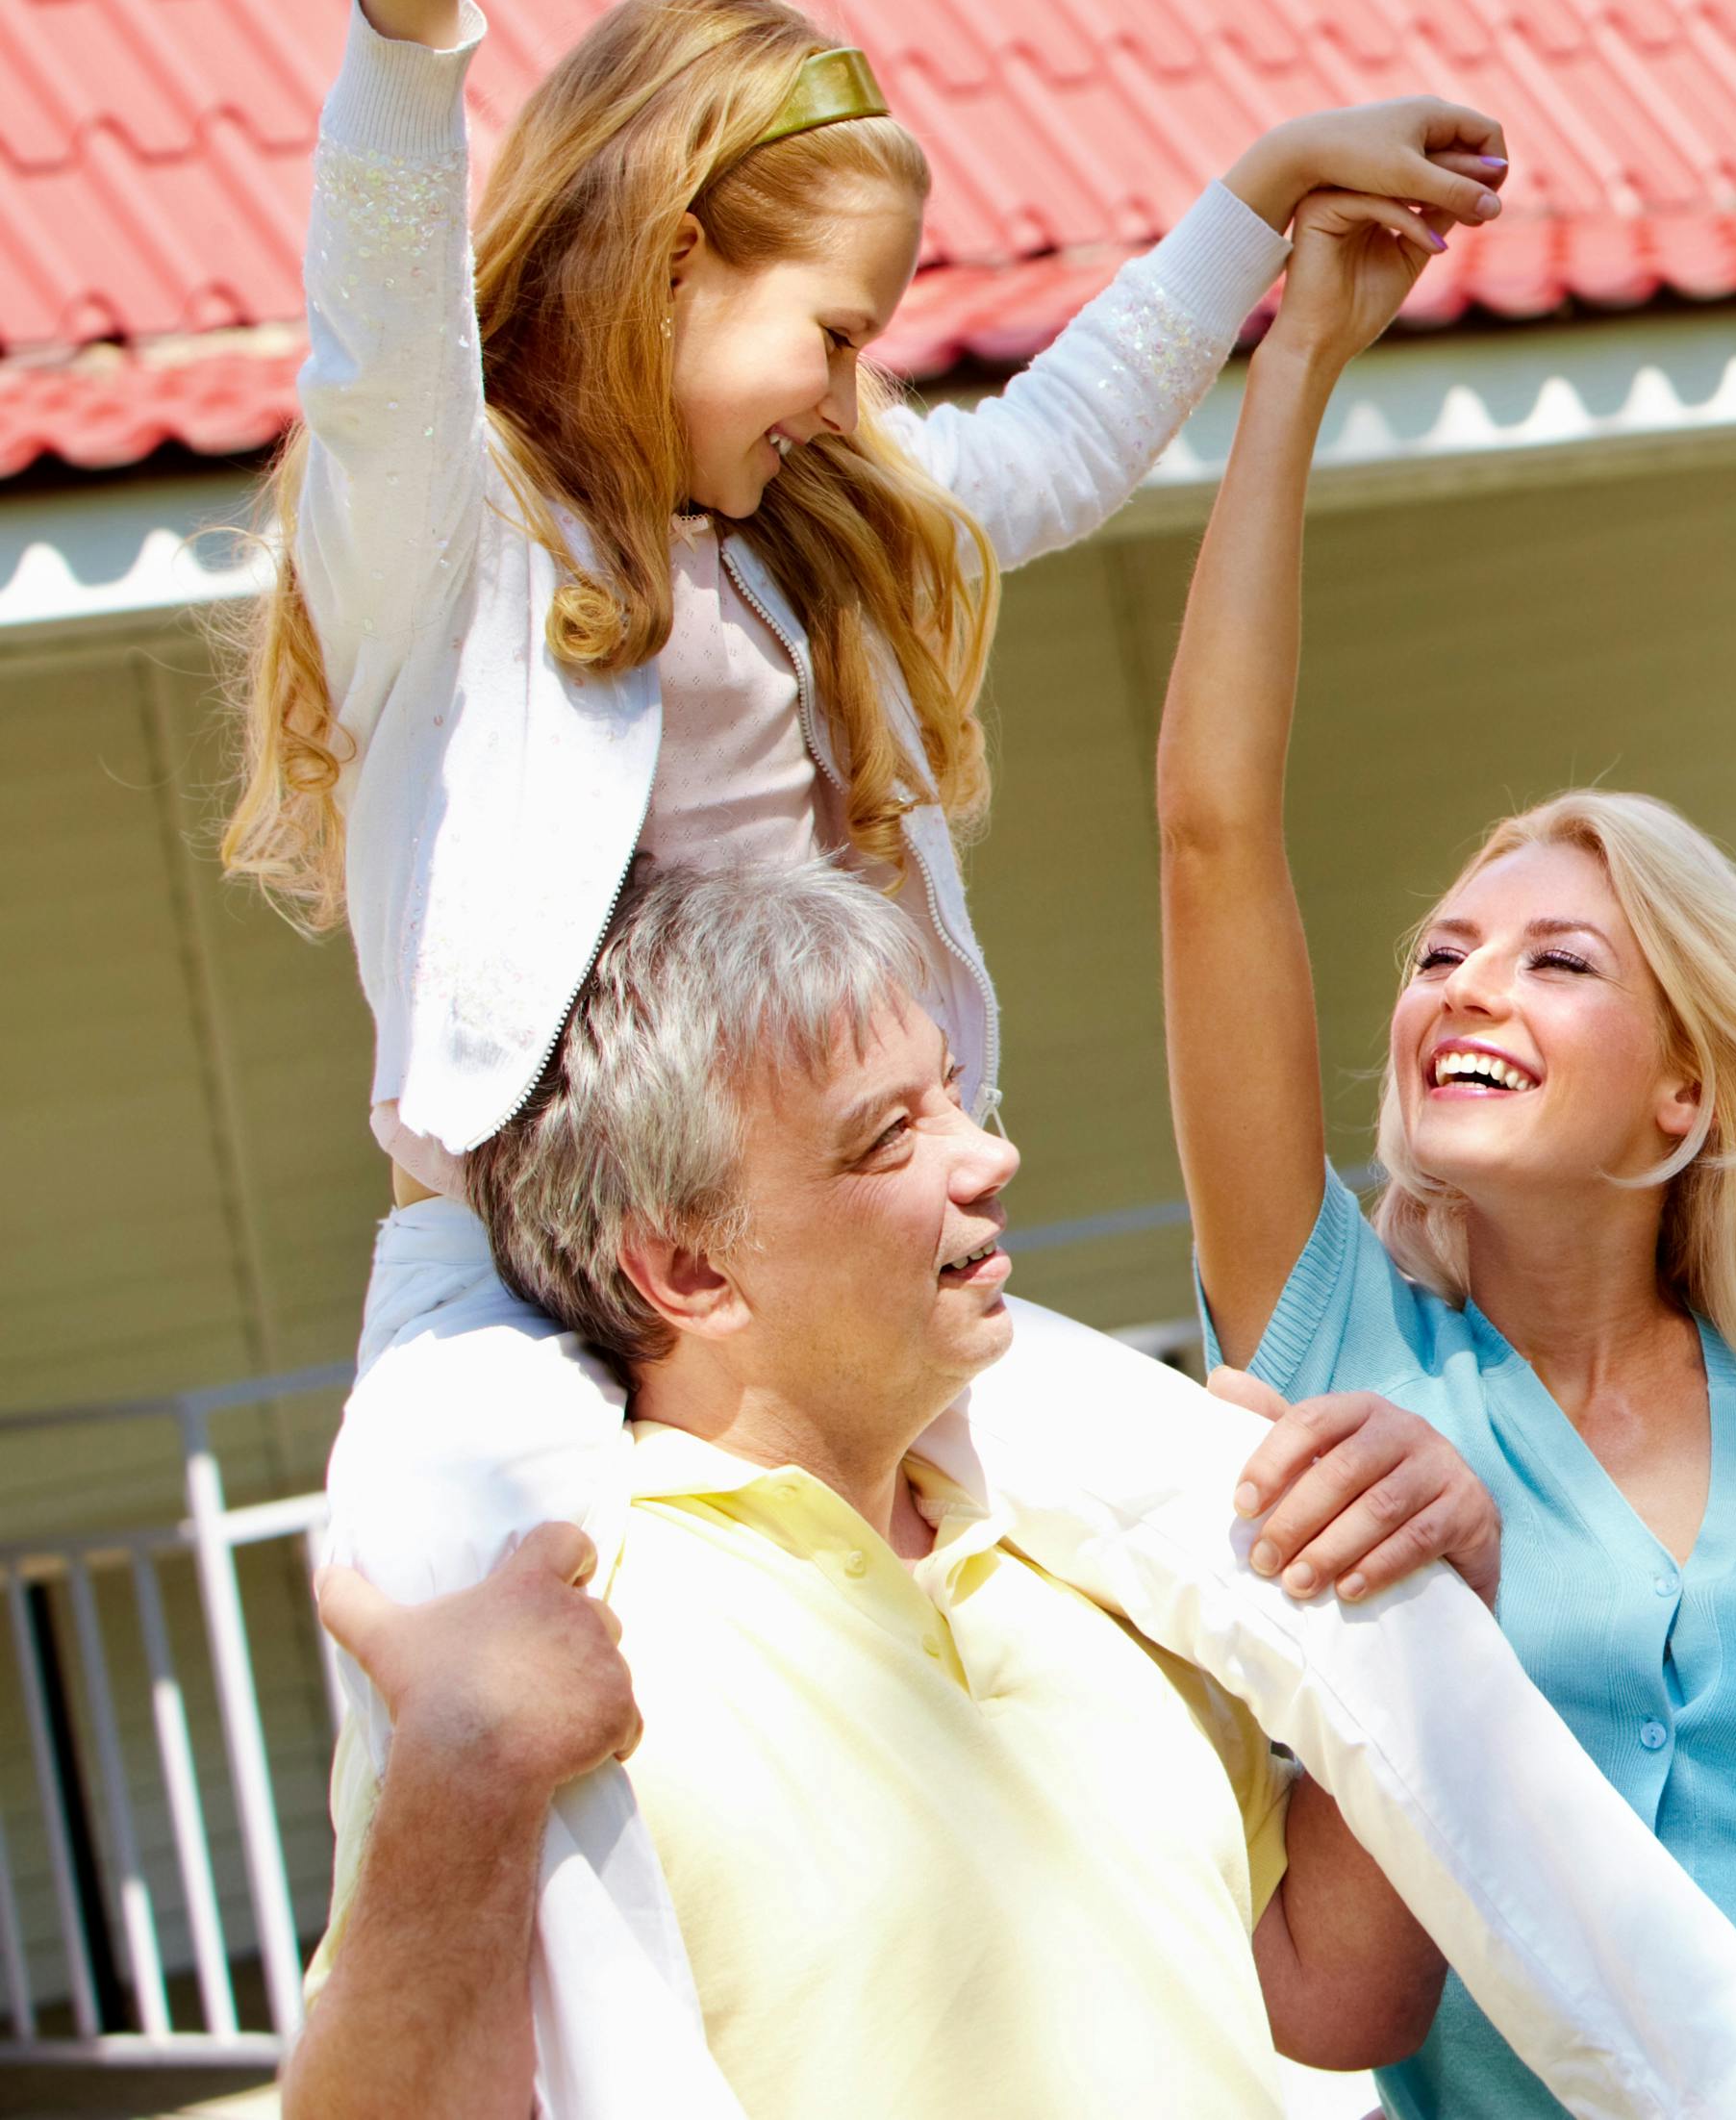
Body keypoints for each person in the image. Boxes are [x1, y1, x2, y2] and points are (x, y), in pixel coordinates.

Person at [249, 0, 1736, 2120]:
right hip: (506, 1294)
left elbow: (1072, 443)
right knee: (533, 1726)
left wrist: (1253, 194)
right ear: (664, 265)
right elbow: (370, 328)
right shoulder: (451, 554)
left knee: (1327, 1562)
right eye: (829, 327)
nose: (854, 386)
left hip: (856, 1265)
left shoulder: (806, 550)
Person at [1152, 180, 1736, 2120]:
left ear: (1685, 1096)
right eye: (1439, 955)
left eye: (1559, 962)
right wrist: (1291, 366)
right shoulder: (1335, 1346)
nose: (1466, 990)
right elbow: (1213, 838)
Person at [293, 861, 1447, 2116]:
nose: (991, 1153)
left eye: (956, 1095)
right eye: (891, 1134)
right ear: (690, 1270)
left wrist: (1408, 1588)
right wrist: (464, 1771)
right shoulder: (563, 1625)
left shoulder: (1078, 1539)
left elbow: (1338, 1990)